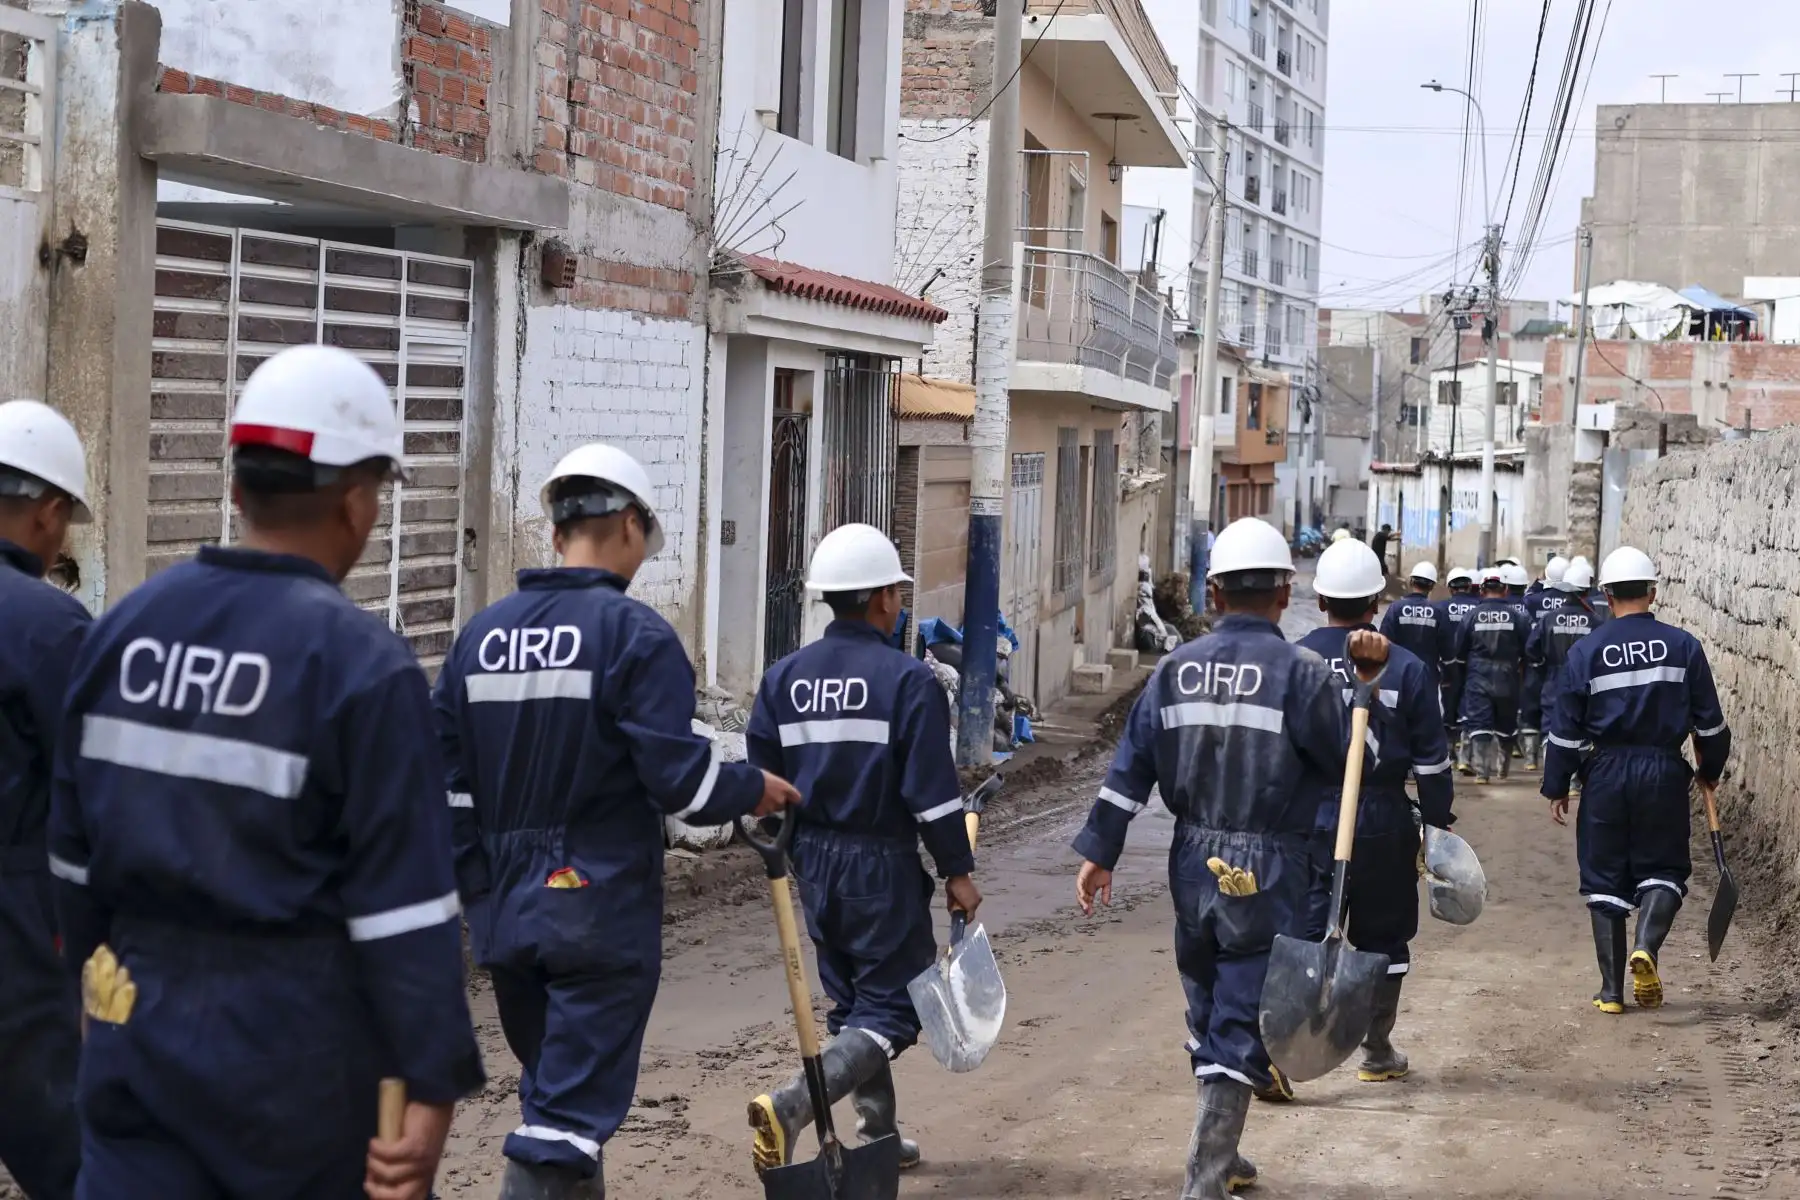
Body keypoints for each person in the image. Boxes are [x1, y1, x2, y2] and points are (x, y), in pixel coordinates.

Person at [49, 345, 485, 1200]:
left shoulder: (120, 632)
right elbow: (405, 912)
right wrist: (430, 1082)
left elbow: (70, 864)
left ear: (238, 488)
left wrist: (95, 995)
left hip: (133, 1029)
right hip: (295, 1062)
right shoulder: (362, 666)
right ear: (360, 502)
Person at [435, 442, 800, 1198]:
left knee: (557, 1105)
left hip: (505, 914)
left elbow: (447, 791)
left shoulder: (479, 640)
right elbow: (684, 787)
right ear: (629, 525)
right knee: (562, 1123)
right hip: (596, 916)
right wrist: (752, 786)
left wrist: (482, 890)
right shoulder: (635, 637)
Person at [1070, 517, 1386, 1199]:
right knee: (1243, 1017)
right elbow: (1350, 760)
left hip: (1192, 864)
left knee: (1210, 1005)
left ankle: (1225, 1151)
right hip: (1269, 866)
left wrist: (1100, 852)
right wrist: (1363, 693)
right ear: (1284, 592)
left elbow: (1129, 770)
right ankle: (1204, 1181)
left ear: (1213, 592)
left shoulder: (1175, 670)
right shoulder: (1302, 676)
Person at [744, 524, 978, 1174]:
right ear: (880, 599)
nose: (900, 604)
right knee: (895, 1009)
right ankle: (793, 1105)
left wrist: (796, 848)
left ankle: (879, 1134)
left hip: (811, 864)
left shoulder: (783, 679)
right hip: (881, 864)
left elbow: (761, 783)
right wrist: (958, 871)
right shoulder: (908, 682)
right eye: (898, 593)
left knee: (855, 1005)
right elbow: (931, 797)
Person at [1544, 547, 1730, 1015]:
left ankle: (1610, 993)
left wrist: (1556, 785)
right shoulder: (1684, 646)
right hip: (1664, 772)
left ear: (1605, 595)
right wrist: (1710, 771)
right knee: (1663, 869)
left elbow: (1565, 731)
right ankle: (1645, 947)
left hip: (1604, 773)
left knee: (1604, 878)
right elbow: (1711, 727)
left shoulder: (1586, 651)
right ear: (1652, 591)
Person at [1300, 540, 1455, 1086]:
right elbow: (1433, 761)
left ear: (1319, 598)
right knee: (1384, 935)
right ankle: (1375, 1048)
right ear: (1376, 599)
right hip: (1385, 818)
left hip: (1310, 818)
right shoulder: (1408, 669)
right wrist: (1437, 822)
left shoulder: (1296, 660)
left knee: (1303, 932)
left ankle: (1290, 1044)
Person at [0, 400, 89, 1199]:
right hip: (18, 925)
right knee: (67, 1153)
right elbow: (94, 785)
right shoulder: (49, 625)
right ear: (48, 510)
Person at [1448, 567, 1529, 783]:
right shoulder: (1518, 617)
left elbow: (1459, 650)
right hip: (1508, 677)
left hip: (1478, 675)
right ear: (1504, 590)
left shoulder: (1471, 616)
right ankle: (1503, 769)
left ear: (1482, 590)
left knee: (1479, 723)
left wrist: (1464, 674)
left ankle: (1482, 773)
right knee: (1506, 724)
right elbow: (1528, 648)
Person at [1525, 558, 1602, 775]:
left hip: (1554, 678)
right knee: (1583, 727)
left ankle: (1554, 776)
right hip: (1586, 682)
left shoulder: (1549, 619)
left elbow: (1532, 648)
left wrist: (1542, 667)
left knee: (1551, 726)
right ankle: (1577, 780)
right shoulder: (1595, 622)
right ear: (1585, 593)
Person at [1437, 569, 1478, 763]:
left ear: (1450, 588)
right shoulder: (1478, 607)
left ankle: (1448, 750)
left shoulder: (1440, 608)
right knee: (1469, 708)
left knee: (1448, 706)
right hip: (1474, 666)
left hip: (1447, 666)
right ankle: (1465, 753)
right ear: (1469, 587)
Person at [1378, 561, 1443, 682]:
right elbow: (1445, 647)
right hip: (1428, 675)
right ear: (1432, 586)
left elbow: (1384, 641)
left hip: (1400, 673)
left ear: (1411, 581)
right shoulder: (1438, 611)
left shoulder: (1396, 608)